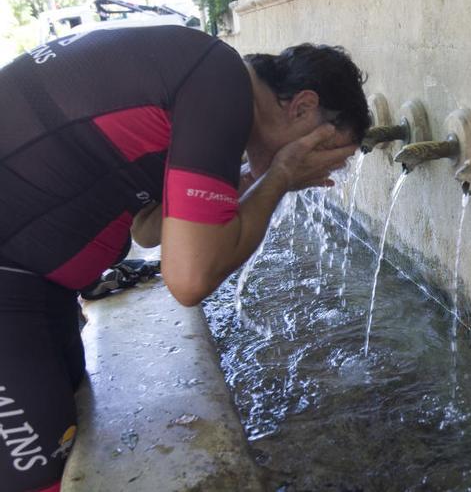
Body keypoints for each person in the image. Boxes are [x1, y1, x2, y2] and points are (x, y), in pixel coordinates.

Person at [0, 25, 369, 492]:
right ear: (302, 107)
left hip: (33, 285)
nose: (327, 168)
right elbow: (189, 279)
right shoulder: (217, 84)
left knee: (70, 443)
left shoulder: (208, 80)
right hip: (12, 281)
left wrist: (258, 176)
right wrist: (281, 175)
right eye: (328, 150)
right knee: (35, 474)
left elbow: (149, 228)